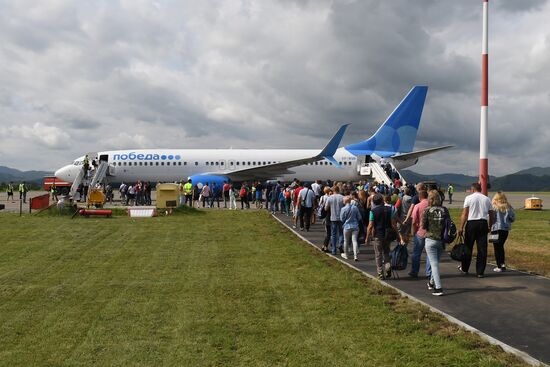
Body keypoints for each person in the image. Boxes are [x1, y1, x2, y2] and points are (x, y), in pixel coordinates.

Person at [458, 182, 495, 278]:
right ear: (480, 189)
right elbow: (492, 215)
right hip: (482, 223)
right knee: (482, 248)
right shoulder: (487, 199)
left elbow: (465, 214)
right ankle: (480, 271)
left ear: (473, 189)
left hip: (471, 223)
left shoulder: (468, 198)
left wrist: (461, 227)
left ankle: (465, 268)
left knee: (468, 247)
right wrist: (490, 226)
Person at [366, 194, 401, 279]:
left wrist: (367, 237)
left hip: (378, 234)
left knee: (378, 254)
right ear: (382, 200)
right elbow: (393, 224)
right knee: (386, 252)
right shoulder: (390, 210)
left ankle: (380, 272)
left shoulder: (373, 211)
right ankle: (388, 268)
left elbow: (370, 225)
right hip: (388, 234)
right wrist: (398, 235)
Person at [422, 190, 449, 296]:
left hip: (430, 238)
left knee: (434, 264)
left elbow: (424, 225)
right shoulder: (444, 210)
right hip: (441, 240)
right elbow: (448, 224)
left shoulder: (427, 210)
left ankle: (438, 288)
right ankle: (432, 282)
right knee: (436, 263)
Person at [490, 192, 515, 272]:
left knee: (496, 247)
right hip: (505, 230)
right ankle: (502, 264)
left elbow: (490, 218)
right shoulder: (508, 207)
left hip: (495, 229)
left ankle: (499, 266)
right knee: (501, 246)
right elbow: (513, 218)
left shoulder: (494, 206)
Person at [409, 190, 430, 279]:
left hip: (420, 232)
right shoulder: (431, 205)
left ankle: (414, 271)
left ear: (419, 197)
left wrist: (413, 232)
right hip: (430, 232)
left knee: (416, 253)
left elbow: (414, 221)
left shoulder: (417, 206)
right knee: (429, 254)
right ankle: (429, 273)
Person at [340, 196, 363, 261]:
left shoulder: (343, 209)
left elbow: (341, 219)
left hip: (347, 226)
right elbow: (359, 217)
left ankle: (346, 255)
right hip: (355, 226)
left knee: (346, 241)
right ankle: (355, 256)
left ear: (345, 201)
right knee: (354, 240)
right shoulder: (355, 208)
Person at [325, 185, 345, 255]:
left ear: (333, 191)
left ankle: (333, 249)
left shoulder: (330, 198)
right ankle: (340, 245)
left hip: (333, 217)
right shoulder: (342, 197)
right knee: (341, 233)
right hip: (341, 217)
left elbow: (326, 208)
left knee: (333, 234)